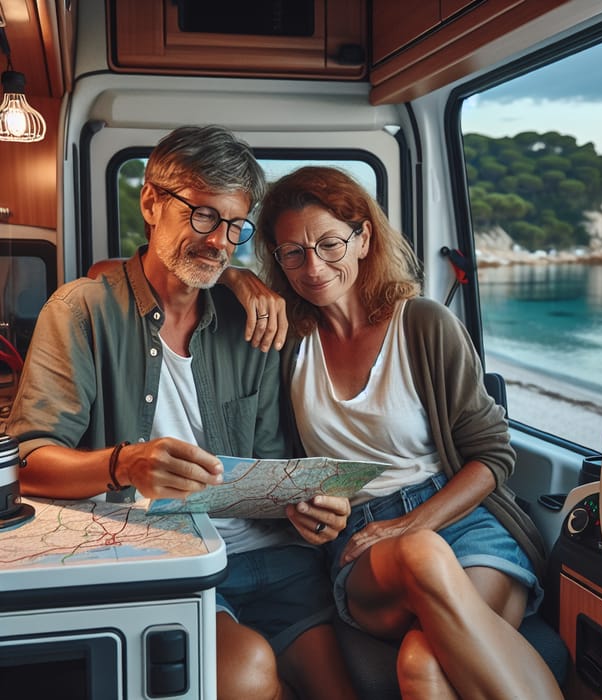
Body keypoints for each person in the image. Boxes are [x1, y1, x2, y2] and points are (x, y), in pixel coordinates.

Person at [6, 128, 358, 700]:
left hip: (271, 557)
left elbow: (269, 466)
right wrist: (124, 464)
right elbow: (28, 462)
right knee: (247, 672)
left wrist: (309, 509)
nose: (220, 240)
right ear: (150, 203)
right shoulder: (80, 311)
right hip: (164, 558)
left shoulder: (253, 325)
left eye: (235, 226)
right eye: (202, 215)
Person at [244, 165, 564, 699]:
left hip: (462, 522)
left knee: (422, 662)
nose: (313, 267)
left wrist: (412, 523)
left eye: (329, 244)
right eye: (292, 253)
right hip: (364, 546)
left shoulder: (423, 324)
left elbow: (491, 456)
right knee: (419, 553)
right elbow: (133, 275)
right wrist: (236, 277)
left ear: (363, 237)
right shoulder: (288, 343)